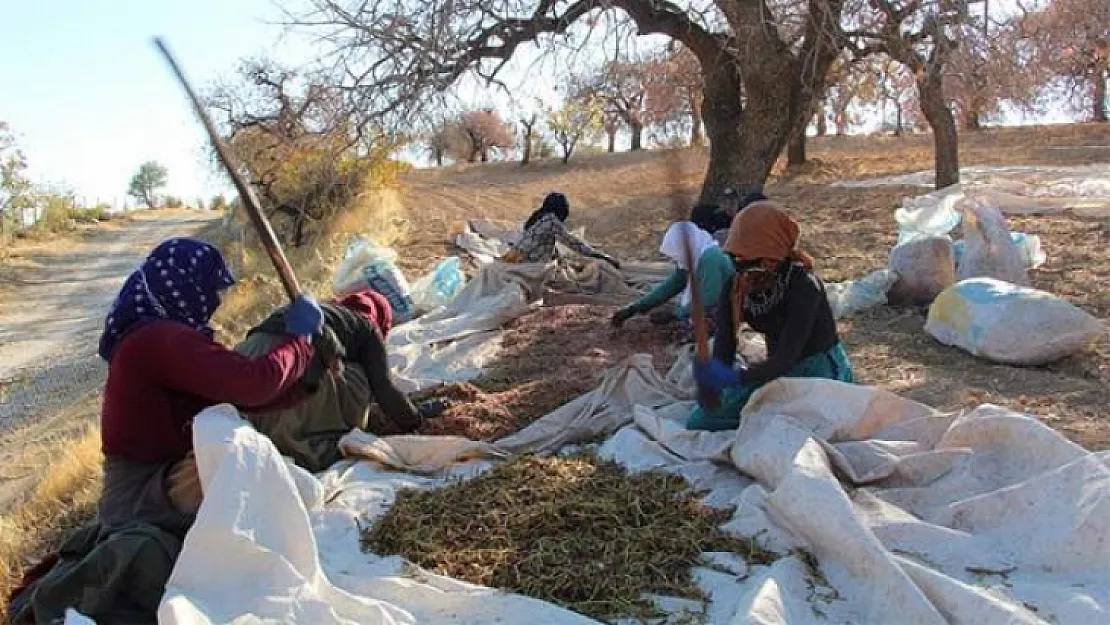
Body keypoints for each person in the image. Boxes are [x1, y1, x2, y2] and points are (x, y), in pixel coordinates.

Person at [96, 238, 323, 533]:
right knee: (272, 491)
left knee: (297, 491)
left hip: (162, 482)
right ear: (185, 285)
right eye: (209, 289)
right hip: (144, 492)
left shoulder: (159, 337)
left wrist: (304, 380)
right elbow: (252, 385)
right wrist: (298, 341)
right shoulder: (158, 340)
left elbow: (238, 398)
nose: (214, 301)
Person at [235, 288, 448, 472]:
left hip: (247, 361)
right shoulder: (366, 328)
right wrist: (416, 421)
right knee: (360, 377)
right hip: (290, 362)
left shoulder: (325, 313)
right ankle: (302, 442)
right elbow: (385, 391)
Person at [689, 201, 855, 431]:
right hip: (774, 370)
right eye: (734, 257)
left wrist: (738, 379)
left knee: (793, 425)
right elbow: (725, 342)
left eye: (746, 257)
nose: (739, 265)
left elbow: (787, 357)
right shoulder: (735, 286)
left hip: (816, 370)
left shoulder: (803, 286)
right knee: (701, 420)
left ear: (771, 257)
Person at [610, 222, 735, 339]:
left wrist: (676, 314)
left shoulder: (710, 258)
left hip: (727, 308)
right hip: (711, 305)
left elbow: (710, 298)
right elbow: (672, 285)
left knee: (681, 330)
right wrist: (636, 307)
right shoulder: (694, 257)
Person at [502, 192, 621, 268]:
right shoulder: (551, 221)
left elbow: (543, 243)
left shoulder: (538, 218)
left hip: (513, 260)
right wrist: (603, 257)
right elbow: (575, 244)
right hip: (528, 266)